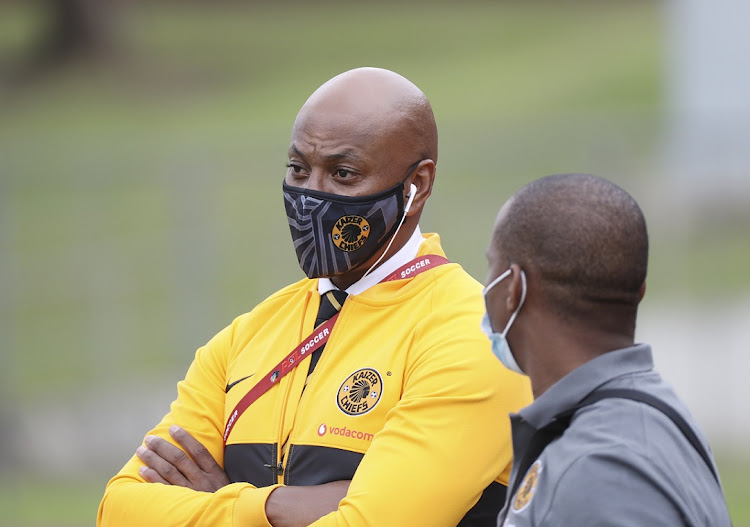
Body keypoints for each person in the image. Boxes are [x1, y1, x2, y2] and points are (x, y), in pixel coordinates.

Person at [97, 67, 532, 527]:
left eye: (343, 174)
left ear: (417, 185)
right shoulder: (248, 335)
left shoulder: (471, 335)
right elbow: (120, 510)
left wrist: (212, 505)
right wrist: (267, 506)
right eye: (298, 168)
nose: (310, 195)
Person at [481, 173, 732, 526]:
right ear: (639, 291)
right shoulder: (645, 416)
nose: (485, 284)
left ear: (515, 288)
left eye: (492, 266)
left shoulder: (599, 469)